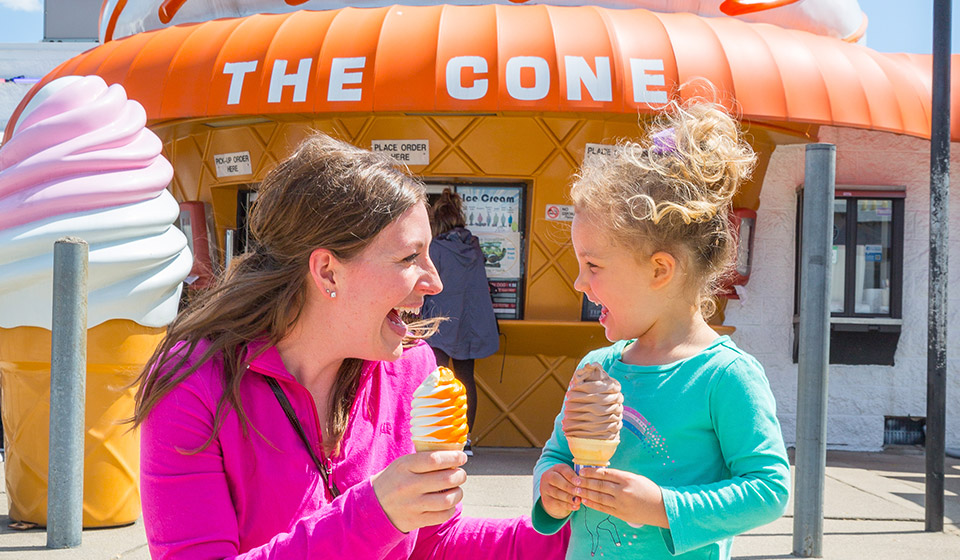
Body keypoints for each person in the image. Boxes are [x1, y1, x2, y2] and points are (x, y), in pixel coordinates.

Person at [132, 134, 569, 558]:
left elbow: (434, 544)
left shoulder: (411, 369)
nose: (435, 281)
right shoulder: (193, 385)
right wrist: (377, 512)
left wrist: (581, 532)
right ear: (327, 272)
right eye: (407, 258)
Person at [531, 101, 790, 559]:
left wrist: (663, 507)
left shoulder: (725, 377)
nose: (579, 282)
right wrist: (550, 489)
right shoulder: (598, 369)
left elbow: (769, 489)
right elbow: (556, 454)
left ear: (659, 270)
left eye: (593, 265)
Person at [422, 189, 500, 455]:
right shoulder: (474, 247)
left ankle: (439, 436)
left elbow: (428, 288)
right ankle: (465, 439)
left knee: (437, 381)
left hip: (440, 325)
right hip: (471, 326)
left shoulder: (435, 249)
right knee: (466, 380)